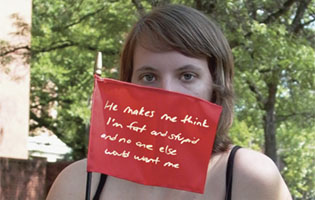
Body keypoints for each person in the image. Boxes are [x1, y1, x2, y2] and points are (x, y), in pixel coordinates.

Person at [46, 4, 292, 200]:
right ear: (128, 85)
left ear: (215, 86)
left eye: (187, 76)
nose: (167, 91)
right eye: (149, 76)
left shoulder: (249, 177)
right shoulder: (79, 183)